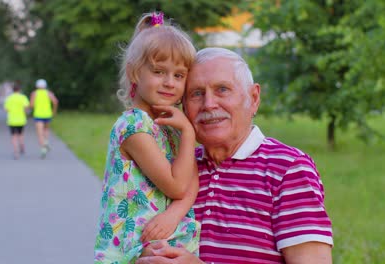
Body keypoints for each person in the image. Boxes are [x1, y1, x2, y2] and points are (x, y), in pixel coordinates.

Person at [137, 48, 333, 264]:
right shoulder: (173, 170)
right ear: (184, 107)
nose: (209, 103)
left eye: (222, 89)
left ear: (254, 98)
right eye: (196, 93)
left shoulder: (288, 169)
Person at [93, 12, 200, 264]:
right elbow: (176, 185)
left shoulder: (169, 128)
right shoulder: (134, 126)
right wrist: (189, 133)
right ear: (134, 73)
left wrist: (174, 214)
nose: (169, 82)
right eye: (159, 71)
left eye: (179, 75)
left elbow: (192, 175)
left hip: (162, 246)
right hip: (129, 251)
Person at [29, 78, 58, 159]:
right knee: (46, 130)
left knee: (40, 132)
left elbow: (31, 105)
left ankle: (43, 149)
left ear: (37, 86)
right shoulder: (49, 93)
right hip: (48, 115)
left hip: (38, 115)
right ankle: (46, 142)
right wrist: (54, 111)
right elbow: (55, 101)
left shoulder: (34, 93)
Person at [4, 81, 30, 159]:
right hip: (21, 119)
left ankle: (16, 152)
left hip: (12, 120)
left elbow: (6, 109)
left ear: (13, 90)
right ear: (19, 90)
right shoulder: (23, 97)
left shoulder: (9, 98)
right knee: (21, 134)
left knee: (14, 136)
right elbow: (26, 108)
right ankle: (22, 146)